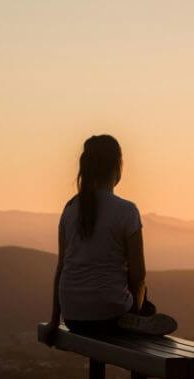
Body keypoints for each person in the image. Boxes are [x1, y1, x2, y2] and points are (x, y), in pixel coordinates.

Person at [42, 135, 177, 345]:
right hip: (111, 316)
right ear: (117, 166)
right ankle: (139, 318)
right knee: (145, 299)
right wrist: (136, 309)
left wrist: (53, 321)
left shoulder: (69, 209)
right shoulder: (127, 211)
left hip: (73, 318)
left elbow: (61, 269)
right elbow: (138, 275)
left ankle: (138, 316)